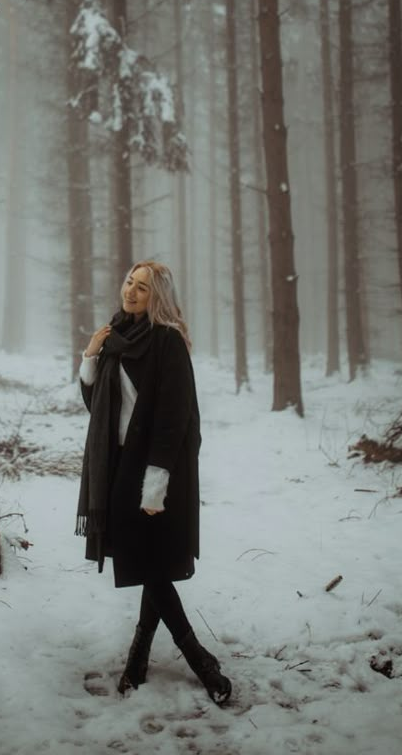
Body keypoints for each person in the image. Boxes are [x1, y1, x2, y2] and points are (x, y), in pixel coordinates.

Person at [75, 260, 232, 706]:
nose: (131, 292)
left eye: (142, 288)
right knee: (150, 564)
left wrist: (156, 483)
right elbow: (98, 406)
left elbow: (173, 418)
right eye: (129, 282)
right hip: (121, 465)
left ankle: (196, 660)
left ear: (156, 296)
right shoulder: (114, 336)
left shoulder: (167, 342)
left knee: (149, 564)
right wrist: (90, 356)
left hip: (157, 470)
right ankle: (141, 659)